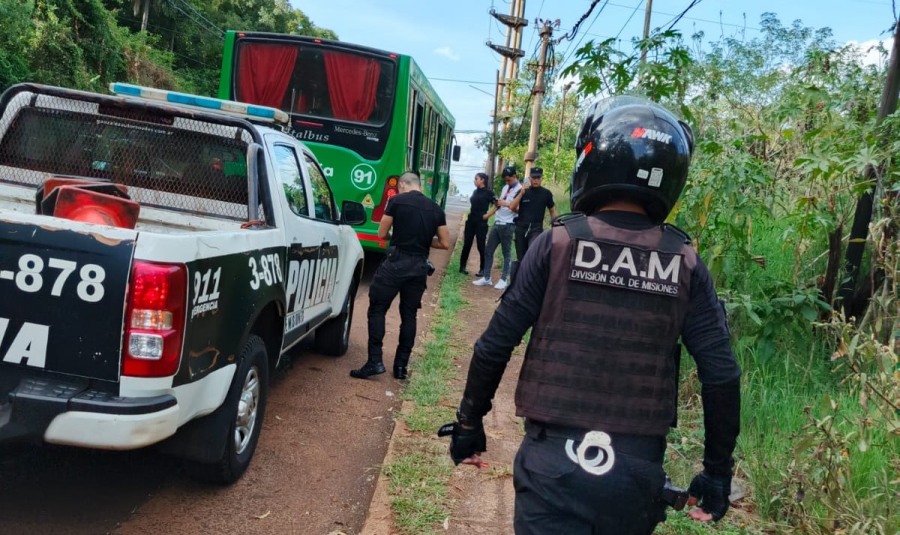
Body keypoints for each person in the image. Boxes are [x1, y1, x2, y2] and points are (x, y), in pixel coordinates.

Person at [441, 96, 741, 534]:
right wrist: (716, 472)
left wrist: (469, 421)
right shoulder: (685, 262)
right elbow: (721, 375)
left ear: (593, 161)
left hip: (551, 466)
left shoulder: (556, 244)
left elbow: (495, 345)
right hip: (636, 474)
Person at [351, 171, 450, 381]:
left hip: (395, 263)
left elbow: (381, 233)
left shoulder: (396, 201)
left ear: (404, 185)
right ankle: (401, 367)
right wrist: (423, 241)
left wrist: (397, 236)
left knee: (377, 309)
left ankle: (375, 362)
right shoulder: (436, 209)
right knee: (409, 315)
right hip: (419, 267)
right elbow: (444, 243)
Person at [473, 165, 522, 290]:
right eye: (505, 180)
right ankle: (486, 277)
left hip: (508, 224)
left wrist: (506, 204)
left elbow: (520, 210)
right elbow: (499, 203)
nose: (507, 182)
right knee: (488, 251)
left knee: (507, 254)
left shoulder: (520, 190)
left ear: (514, 177)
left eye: (509, 180)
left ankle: (504, 279)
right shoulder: (505, 187)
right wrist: (496, 205)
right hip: (498, 222)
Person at [509, 166, 557, 260]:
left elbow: (552, 210)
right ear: (530, 178)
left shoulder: (546, 193)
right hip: (521, 228)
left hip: (536, 228)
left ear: (542, 179)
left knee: (533, 253)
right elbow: (512, 207)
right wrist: (521, 194)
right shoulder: (523, 191)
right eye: (533, 178)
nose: (535, 180)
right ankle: (520, 274)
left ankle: (532, 273)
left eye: (538, 178)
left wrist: (556, 226)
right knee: (521, 257)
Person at [459, 172, 495, 276]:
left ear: (482, 180)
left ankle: (482, 269)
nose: (474, 180)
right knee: (467, 244)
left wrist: (488, 215)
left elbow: (498, 204)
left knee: (481, 245)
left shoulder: (489, 193)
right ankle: (462, 267)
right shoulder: (475, 191)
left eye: (476, 179)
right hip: (471, 220)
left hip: (481, 222)